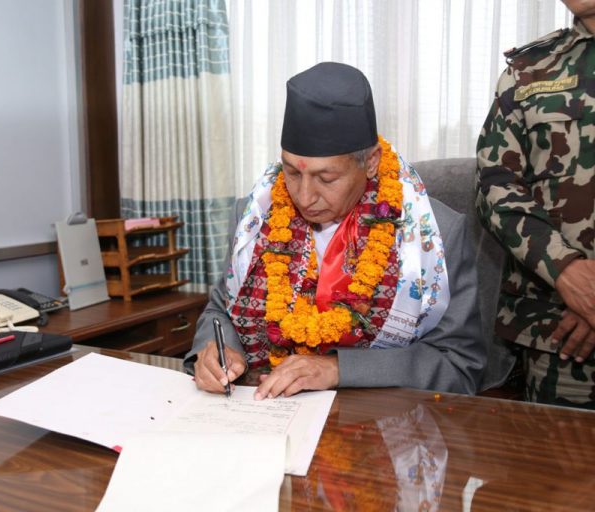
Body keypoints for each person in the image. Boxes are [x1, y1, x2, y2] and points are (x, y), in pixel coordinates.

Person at [184, 62, 486, 399]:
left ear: (371, 162)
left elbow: (458, 365)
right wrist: (216, 349)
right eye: (292, 173)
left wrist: (339, 369)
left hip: (373, 420)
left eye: (326, 178)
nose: (304, 197)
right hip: (263, 409)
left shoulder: (434, 237)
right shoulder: (253, 218)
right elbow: (219, 310)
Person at [476, 1, 595, 409]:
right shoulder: (529, 69)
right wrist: (566, 271)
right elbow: (495, 185)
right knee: (553, 453)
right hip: (562, 342)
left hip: (577, 321)